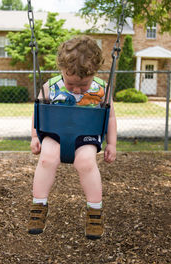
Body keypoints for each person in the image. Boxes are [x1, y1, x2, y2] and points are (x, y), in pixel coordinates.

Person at [28, 36, 117, 240]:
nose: (76, 90)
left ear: (94, 74)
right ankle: (38, 205)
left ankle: (94, 210)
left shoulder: (102, 89)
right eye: (71, 84)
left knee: (86, 162)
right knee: (46, 159)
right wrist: (35, 136)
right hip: (55, 134)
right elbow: (37, 112)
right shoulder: (50, 86)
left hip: (86, 136)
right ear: (61, 70)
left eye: (83, 85)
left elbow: (110, 116)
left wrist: (111, 143)